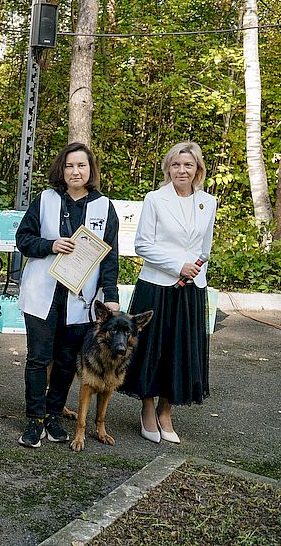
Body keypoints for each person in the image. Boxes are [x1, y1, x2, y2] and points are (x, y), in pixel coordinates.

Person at [15, 142, 120, 448]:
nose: (76, 171)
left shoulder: (104, 207)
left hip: (81, 299)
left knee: (64, 362)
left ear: (91, 170)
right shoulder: (46, 199)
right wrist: (51, 245)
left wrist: (110, 295)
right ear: (62, 169)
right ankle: (34, 420)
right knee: (38, 358)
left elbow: (110, 258)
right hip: (42, 295)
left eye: (82, 166)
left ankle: (53, 417)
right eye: (70, 166)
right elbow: (24, 240)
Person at [119, 141, 216, 443]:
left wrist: (195, 267)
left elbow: (205, 247)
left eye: (187, 165)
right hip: (157, 286)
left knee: (180, 350)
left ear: (197, 169)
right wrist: (178, 266)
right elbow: (143, 245)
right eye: (176, 165)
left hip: (191, 289)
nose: (181, 170)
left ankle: (165, 412)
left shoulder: (208, 202)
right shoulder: (155, 199)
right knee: (153, 349)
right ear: (168, 168)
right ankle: (147, 409)